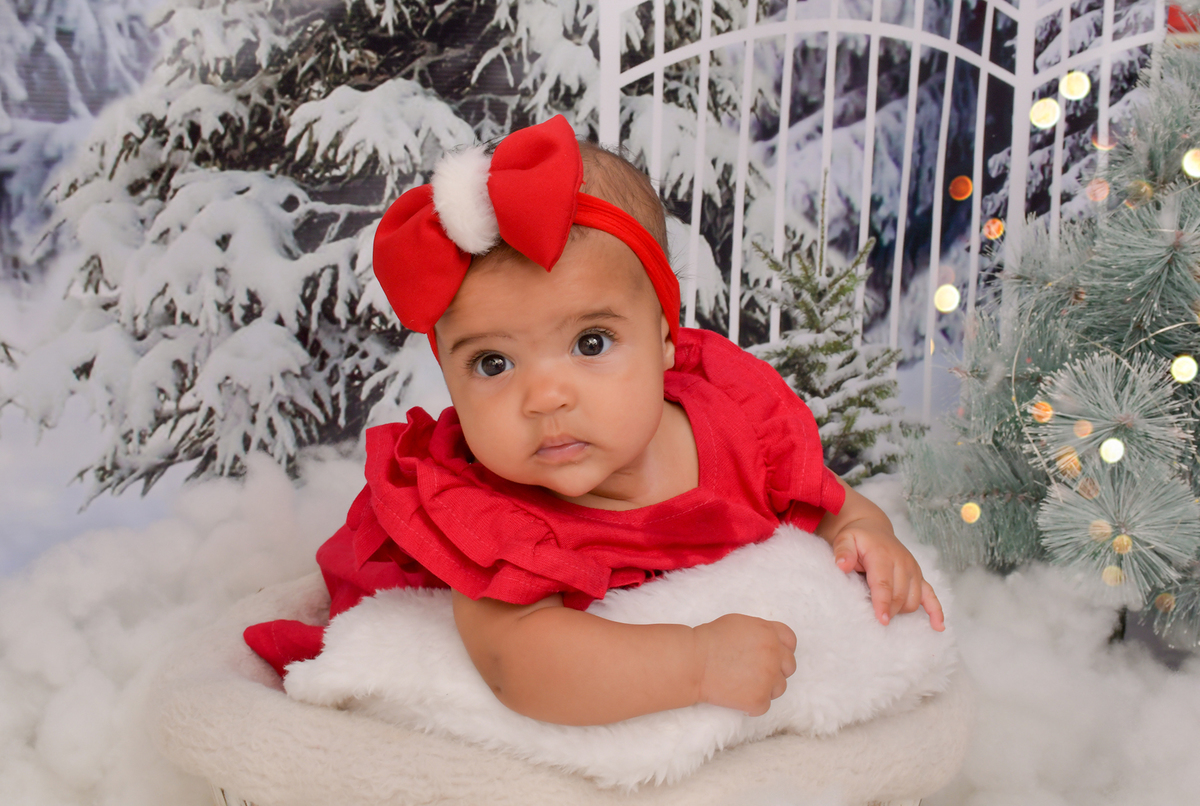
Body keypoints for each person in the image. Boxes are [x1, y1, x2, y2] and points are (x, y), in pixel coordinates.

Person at [245, 115, 944, 727]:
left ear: (665, 339)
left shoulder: (735, 425)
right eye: (492, 362)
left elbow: (824, 500)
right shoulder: (493, 515)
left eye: (590, 343)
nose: (545, 398)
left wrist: (865, 534)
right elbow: (518, 663)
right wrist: (695, 662)